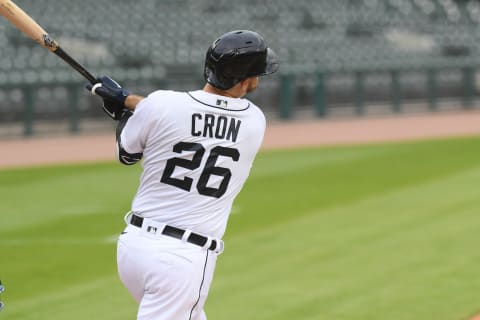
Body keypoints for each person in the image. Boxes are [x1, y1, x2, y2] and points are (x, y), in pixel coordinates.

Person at [87, 30, 279, 320]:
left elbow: (127, 153)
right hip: (181, 259)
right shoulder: (254, 120)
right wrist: (129, 105)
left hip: (134, 247)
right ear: (246, 79)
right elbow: (199, 117)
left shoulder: (161, 104)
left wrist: (125, 111)